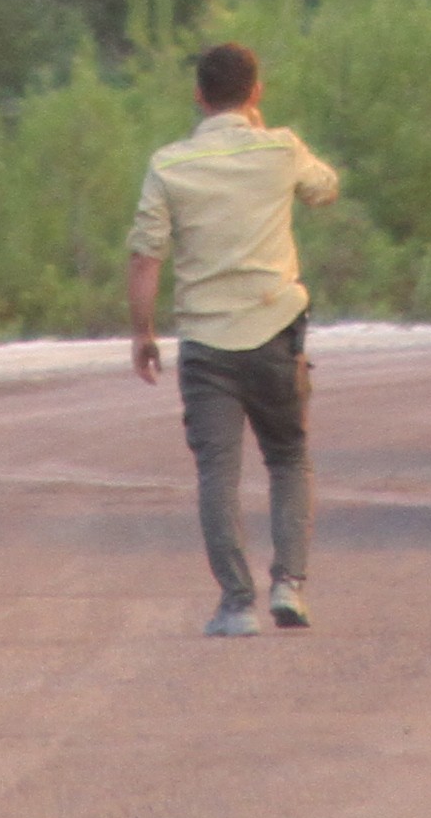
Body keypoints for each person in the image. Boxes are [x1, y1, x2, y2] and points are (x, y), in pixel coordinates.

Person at [126, 40, 340, 637]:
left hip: (205, 342)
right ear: (255, 92)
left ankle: (236, 602)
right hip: (275, 331)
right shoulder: (281, 148)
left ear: (198, 96)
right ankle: (290, 586)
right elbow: (325, 190)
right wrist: (267, 135)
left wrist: (143, 333)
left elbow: (146, 256)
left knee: (217, 472)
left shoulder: (169, 165)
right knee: (289, 457)